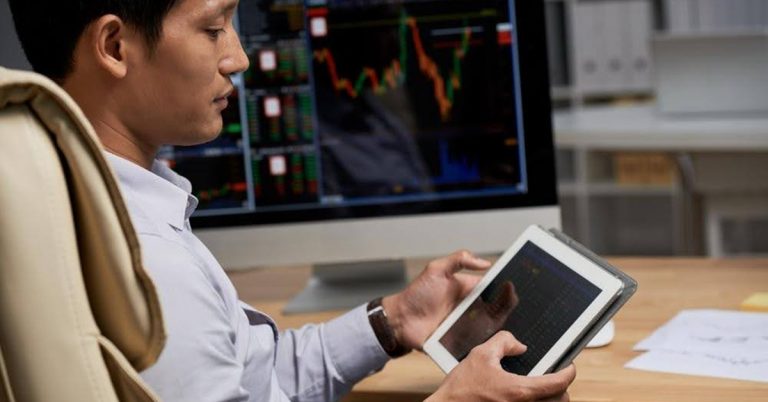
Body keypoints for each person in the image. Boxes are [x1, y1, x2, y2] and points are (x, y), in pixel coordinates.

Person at [8, 0, 576, 401]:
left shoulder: (91, 204)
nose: (239, 57)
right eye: (213, 29)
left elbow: (252, 381)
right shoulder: (149, 264)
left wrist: (394, 319)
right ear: (113, 45)